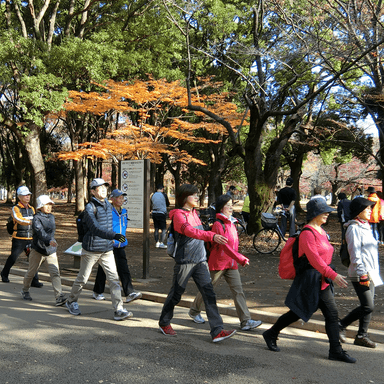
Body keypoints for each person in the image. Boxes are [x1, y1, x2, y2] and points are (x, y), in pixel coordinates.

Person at [262, 199, 357, 363]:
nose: (327, 214)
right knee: (298, 312)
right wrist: (333, 274)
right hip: (310, 279)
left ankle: (335, 350)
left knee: (331, 314)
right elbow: (314, 260)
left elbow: (324, 257)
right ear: (314, 213)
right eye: (324, 211)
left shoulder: (320, 230)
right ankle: (271, 333)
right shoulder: (307, 233)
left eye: (328, 211)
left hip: (323, 279)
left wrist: (329, 274)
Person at [158, 184, 237, 343]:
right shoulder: (178, 215)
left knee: (209, 294)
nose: (196, 197)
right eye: (193, 195)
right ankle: (164, 322)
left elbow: (199, 233)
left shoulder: (195, 213)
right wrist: (211, 236)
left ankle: (217, 331)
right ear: (184, 197)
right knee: (176, 294)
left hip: (200, 261)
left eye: (197, 194)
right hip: (185, 261)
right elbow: (190, 232)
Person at [189, 194, 262, 331]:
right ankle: (194, 311)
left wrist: (236, 258)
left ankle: (245, 321)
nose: (231, 207)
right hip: (218, 263)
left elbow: (233, 244)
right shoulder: (218, 224)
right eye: (228, 205)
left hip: (231, 263)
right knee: (208, 289)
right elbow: (224, 246)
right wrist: (240, 258)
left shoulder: (232, 222)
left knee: (238, 291)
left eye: (231, 205)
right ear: (221, 208)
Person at [65, 178, 132, 321]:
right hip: (91, 249)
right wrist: (113, 235)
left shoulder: (108, 204)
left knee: (114, 279)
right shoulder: (90, 208)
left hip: (107, 249)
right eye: (99, 188)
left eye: (104, 188)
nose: (103, 190)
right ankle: (71, 301)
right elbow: (95, 228)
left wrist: (113, 236)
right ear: (93, 192)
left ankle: (118, 309)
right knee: (82, 278)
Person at [339, 197, 381, 348]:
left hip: (371, 272)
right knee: (368, 306)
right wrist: (362, 272)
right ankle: (340, 325)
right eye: (367, 208)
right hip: (360, 273)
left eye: (370, 208)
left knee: (367, 305)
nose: (370, 211)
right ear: (358, 212)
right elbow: (354, 253)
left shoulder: (366, 226)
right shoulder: (353, 228)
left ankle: (361, 335)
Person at [92, 189, 142, 303]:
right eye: (119, 197)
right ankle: (97, 291)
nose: (121, 200)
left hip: (120, 245)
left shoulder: (124, 211)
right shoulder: (107, 210)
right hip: (109, 244)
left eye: (122, 198)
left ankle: (129, 293)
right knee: (104, 269)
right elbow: (103, 226)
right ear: (112, 199)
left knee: (123, 268)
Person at [20, 195, 67, 306]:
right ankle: (25, 290)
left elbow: (51, 232)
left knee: (55, 273)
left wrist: (51, 241)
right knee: (31, 272)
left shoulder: (52, 217)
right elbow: (40, 231)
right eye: (46, 205)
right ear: (40, 207)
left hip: (50, 250)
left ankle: (59, 296)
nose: (49, 207)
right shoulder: (36, 218)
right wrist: (49, 240)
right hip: (37, 249)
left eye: (50, 205)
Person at [1, 186, 42, 287]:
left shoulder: (32, 208)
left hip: (30, 239)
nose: (27, 197)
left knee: (33, 259)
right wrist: (31, 222)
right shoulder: (15, 208)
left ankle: (34, 280)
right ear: (19, 197)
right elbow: (18, 219)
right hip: (19, 239)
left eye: (28, 195)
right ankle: (4, 273)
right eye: (25, 195)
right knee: (13, 257)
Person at [151, 184, 169, 249]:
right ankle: (161, 242)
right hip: (161, 213)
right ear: (162, 189)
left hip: (154, 213)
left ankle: (157, 242)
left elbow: (151, 203)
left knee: (156, 228)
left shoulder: (153, 195)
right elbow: (167, 204)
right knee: (163, 229)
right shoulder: (164, 195)